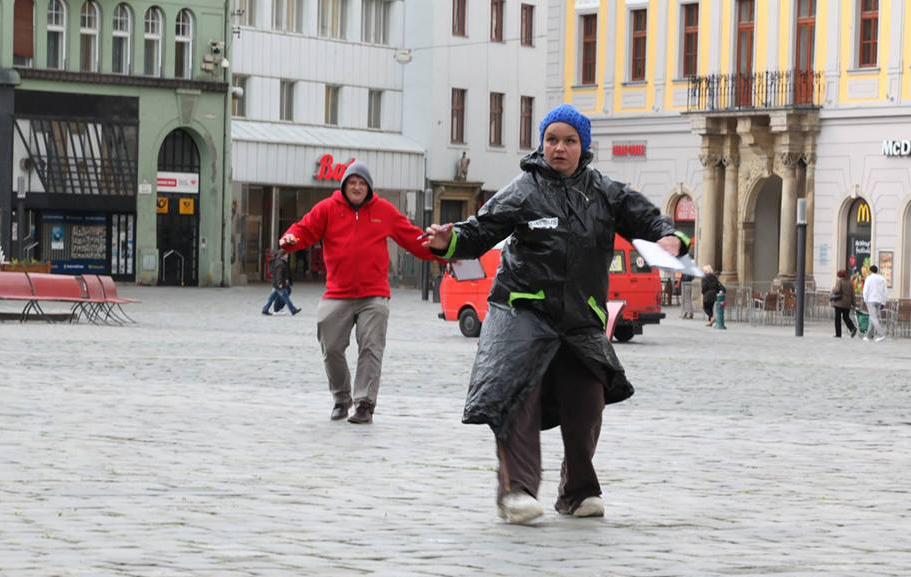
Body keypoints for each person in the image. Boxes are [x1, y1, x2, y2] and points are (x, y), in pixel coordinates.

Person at [422, 104, 690, 524]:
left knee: (588, 398)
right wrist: (447, 240)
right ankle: (516, 491)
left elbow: (650, 221)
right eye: (551, 139)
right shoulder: (523, 190)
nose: (559, 148)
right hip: (521, 310)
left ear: (583, 147)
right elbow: (479, 232)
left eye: (569, 141)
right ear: (542, 143)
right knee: (517, 396)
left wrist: (670, 238)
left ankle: (577, 492)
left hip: (579, 315)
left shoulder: (605, 192)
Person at [279, 161, 439, 424]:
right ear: (344, 185)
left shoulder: (383, 210)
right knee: (331, 347)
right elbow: (304, 230)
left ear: (369, 187)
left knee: (371, 347)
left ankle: (364, 404)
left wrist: (443, 250)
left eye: (362, 183)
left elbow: (413, 238)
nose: (356, 187)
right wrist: (290, 240)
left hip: (373, 294)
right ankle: (341, 398)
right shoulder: (327, 209)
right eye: (352, 182)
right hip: (337, 292)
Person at [261, 251, 301, 316]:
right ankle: (293, 310)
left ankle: (265, 309)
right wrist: (280, 283)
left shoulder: (279, 262)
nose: (287, 256)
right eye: (286, 254)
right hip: (279, 284)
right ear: (283, 256)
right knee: (286, 297)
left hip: (276, 283)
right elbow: (279, 274)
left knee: (271, 298)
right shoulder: (280, 264)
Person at [861, 264, 888, 342]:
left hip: (871, 300)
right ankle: (869, 336)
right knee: (872, 318)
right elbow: (885, 291)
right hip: (879, 300)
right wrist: (883, 302)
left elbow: (865, 290)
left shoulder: (869, 278)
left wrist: (865, 299)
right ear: (877, 271)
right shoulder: (882, 279)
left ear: (870, 271)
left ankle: (881, 335)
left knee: (873, 318)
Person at [831, 269, 856, 338]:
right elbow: (853, 294)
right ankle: (852, 328)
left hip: (839, 303)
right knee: (846, 317)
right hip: (847, 303)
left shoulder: (840, 281)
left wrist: (833, 289)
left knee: (837, 318)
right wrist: (854, 304)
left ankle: (838, 334)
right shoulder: (850, 282)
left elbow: (837, 290)